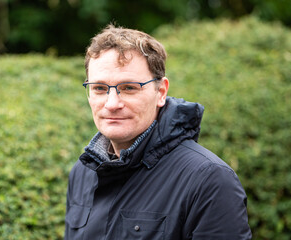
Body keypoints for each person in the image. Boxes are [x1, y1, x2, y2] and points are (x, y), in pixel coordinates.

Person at [64, 24, 252, 240]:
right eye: (99, 88)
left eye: (129, 88)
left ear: (161, 92)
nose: (112, 103)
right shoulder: (82, 173)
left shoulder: (210, 181)